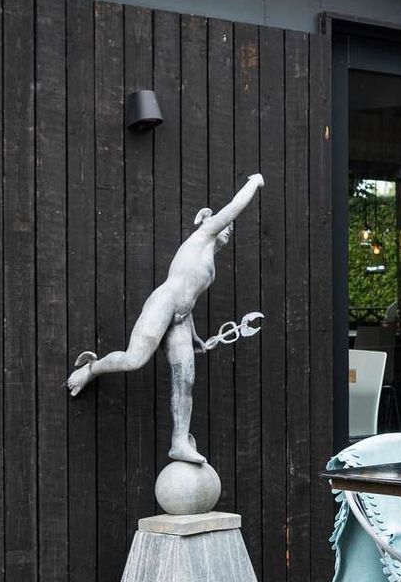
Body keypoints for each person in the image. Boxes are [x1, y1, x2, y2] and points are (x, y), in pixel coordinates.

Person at [67, 173, 264, 465]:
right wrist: (254, 182)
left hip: (182, 318)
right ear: (209, 221)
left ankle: (179, 442)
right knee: (135, 359)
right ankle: (91, 368)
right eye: (226, 226)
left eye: (230, 229)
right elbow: (235, 205)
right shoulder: (203, 234)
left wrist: (194, 334)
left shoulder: (208, 258)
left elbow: (190, 295)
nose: (228, 230)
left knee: (185, 379)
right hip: (164, 303)